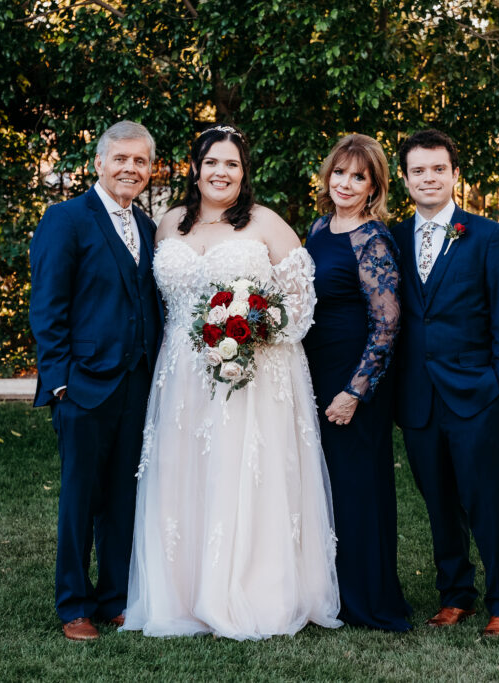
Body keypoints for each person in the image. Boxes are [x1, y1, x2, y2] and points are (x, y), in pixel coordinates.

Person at [121, 125, 342, 640]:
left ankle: (252, 591)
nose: (221, 172)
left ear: (245, 173)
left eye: (233, 164)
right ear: (194, 169)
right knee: (184, 474)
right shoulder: (168, 223)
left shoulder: (267, 224)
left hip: (252, 373)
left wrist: (252, 329)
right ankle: (181, 592)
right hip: (180, 374)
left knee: (242, 472)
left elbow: (302, 304)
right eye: (212, 162)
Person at [29, 120, 163, 641]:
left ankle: (113, 598)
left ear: (150, 171)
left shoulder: (147, 227)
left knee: (124, 497)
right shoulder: (66, 219)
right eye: (121, 159)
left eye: (141, 162)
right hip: (83, 385)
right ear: (99, 163)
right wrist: (59, 381)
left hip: (137, 384)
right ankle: (73, 605)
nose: (130, 169)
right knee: (80, 500)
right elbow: (48, 305)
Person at [390, 129, 499, 637]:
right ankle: (455, 595)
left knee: (487, 502)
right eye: (419, 170)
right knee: (439, 502)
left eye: (438, 169)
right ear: (405, 179)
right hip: (419, 398)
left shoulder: (487, 236)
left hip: (476, 394)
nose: (429, 178)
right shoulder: (395, 238)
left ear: (454, 174)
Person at [303, 134, 411, 631]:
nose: (345, 183)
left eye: (358, 176)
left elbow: (387, 324)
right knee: (322, 485)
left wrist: (354, 391)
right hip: (315, 369)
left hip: (354, 377)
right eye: (339, 173)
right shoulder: (320, 228)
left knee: (357, 486)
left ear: (375, 186)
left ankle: (369, 599)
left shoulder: (373, 239)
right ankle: (330, 592)